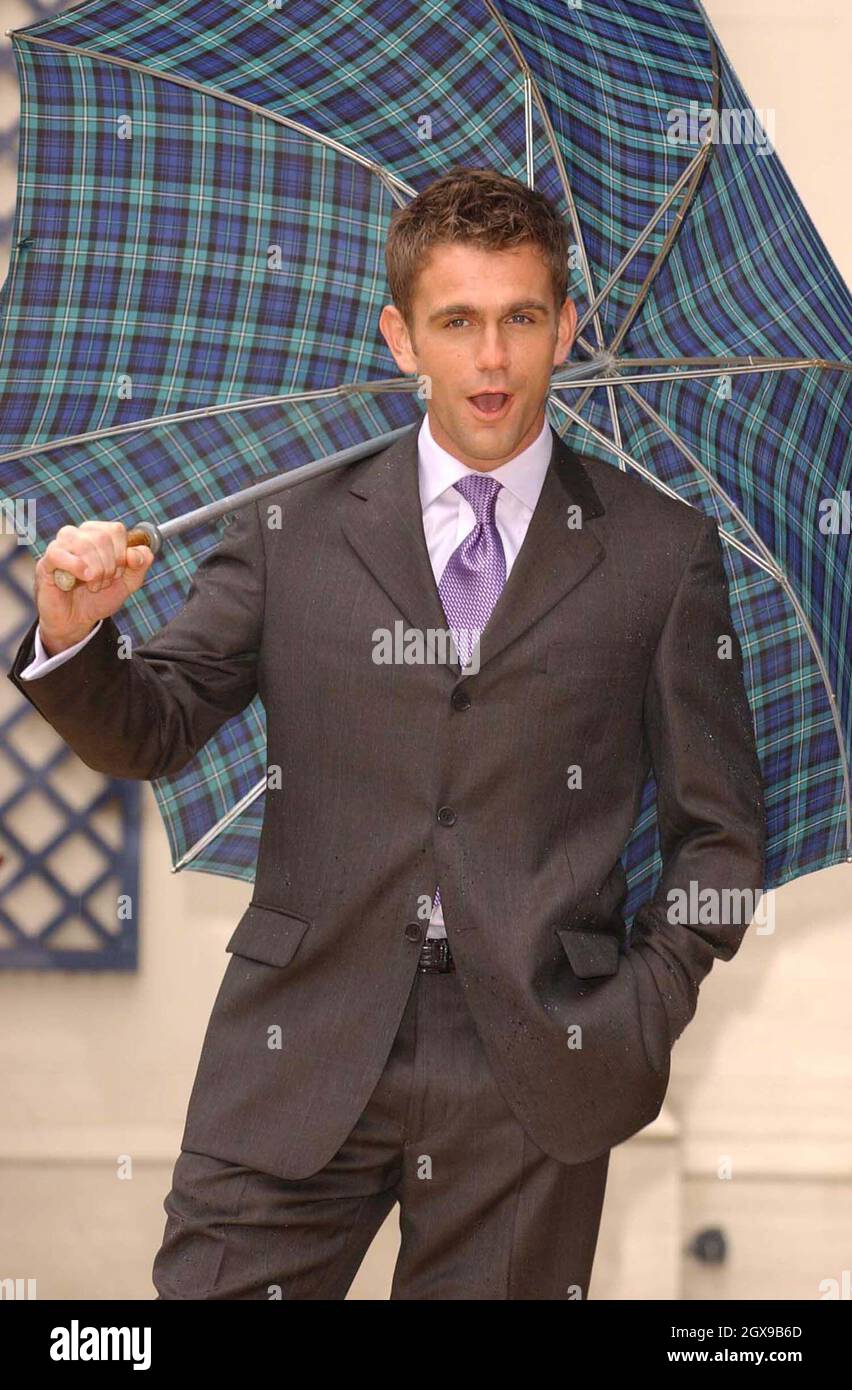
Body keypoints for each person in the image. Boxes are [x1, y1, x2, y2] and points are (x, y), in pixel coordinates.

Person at [8, 167, 766, 1300]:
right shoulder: (289, 528)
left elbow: (720, 838)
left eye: (520, 318)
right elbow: (153, 729)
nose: (494, 361)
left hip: (537, 1077)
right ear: (401, 336)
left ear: (567, 325)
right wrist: (72, 635)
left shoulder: (661, 554)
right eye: (457, 322)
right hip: (294, 1048)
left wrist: (634, 1009)